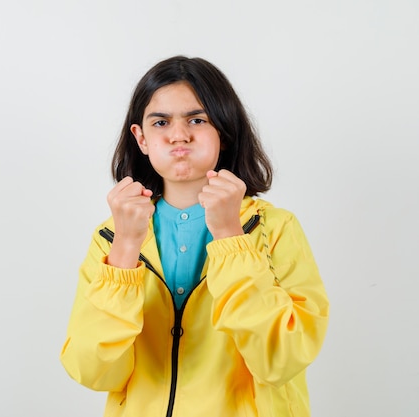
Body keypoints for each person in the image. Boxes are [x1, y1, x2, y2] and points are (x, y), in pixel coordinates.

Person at [60, 55, 329, 417]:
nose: (178, 135)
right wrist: (125, 249)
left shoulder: (275, 228)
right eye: (160, 122)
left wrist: (232, 237)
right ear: (140, 138)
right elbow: (94, 371)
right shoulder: (110, 237)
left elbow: (281, 360)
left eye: (197, 119)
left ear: (224, 129)